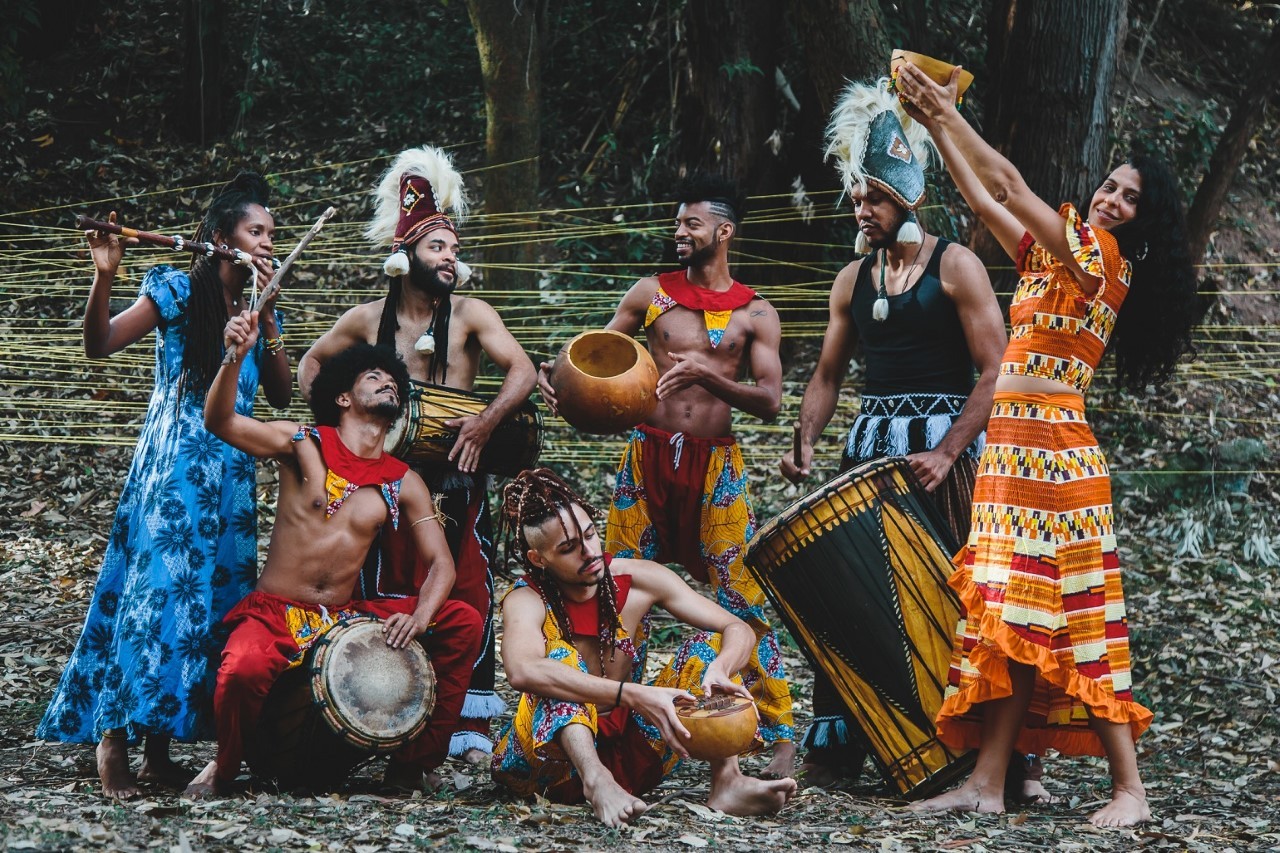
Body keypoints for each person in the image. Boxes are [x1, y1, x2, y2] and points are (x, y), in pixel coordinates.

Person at [893, 62, 1201, 827]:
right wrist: (934, 125)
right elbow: (982, 195)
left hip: (1058, 462)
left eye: (1131, 198)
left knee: (1077, 616)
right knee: (1010, 617)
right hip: (1008, 456)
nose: (1113, 199)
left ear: (1141, 220)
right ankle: (987, 783)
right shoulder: (1045, 260)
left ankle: (1130, 787)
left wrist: (946, 110)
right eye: (1111, 186)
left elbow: (1012, 183)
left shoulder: (1100, 261)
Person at [778, 79, 1010, 791]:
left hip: (942, 458)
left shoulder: (957, 267)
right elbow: (827, 371)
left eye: (873, 198)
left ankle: (970, 746)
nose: (862, 210)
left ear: (905, 198)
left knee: (949, 595)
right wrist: (806, 437)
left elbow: (998, 368)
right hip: (868, 454)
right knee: (849, 594)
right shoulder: (851, 278)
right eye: (856, 198)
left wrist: (946, 452)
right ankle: (844, 747)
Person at [37, 174, 293, 800]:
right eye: (254, 232)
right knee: (154, 600)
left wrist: (267, 319)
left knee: (204, 608)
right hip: (175, 470)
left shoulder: (262, 307)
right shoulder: (179, 290)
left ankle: (160, 749)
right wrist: (105, 274)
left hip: (230, 483)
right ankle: (112, 740)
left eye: (271, 235)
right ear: (217, 238)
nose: (265, 243)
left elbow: (283, 396)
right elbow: (98, 346)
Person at [537, 174, 795, 778]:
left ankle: (777, 734)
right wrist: (556, 378)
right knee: (614, 588)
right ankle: (610, 721)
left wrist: (709, 379)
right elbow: (596, 353)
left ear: (724, 231)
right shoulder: (652, 293)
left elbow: (770, 400)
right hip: (645, 457)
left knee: (744, 595)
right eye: (678, 224)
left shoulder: (755, 311)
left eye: (692, 224)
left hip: (716, 467)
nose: (679, 233)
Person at [299, 146, 536, 762]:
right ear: (406, 258)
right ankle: (376, 709)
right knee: (382, 584)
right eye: (438, 249)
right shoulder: (366, 319)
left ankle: (463, 728)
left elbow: (523, 370)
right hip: (385, 480)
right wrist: (339, 431)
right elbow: (311, 366)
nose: (450, 259)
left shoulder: (472, 317)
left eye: (454, 250)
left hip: (456, 476)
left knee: (468, 593)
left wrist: (484, 423)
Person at [186, 327, 483, 797]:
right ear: (343, 397)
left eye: (394, 382)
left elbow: (441, 565)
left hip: (341, 617)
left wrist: (421, 618)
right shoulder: (299, 441)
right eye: (374, 376)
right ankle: (224, 766)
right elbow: (220, 421)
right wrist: (234, 358)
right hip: (277, 611)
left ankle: (412, 765)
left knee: (463, 620)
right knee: (240, 670)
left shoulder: (405, 481)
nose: (389, 383)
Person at [491, 469, 798, 826]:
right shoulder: (526, 599)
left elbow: (737, 628)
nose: (589, 551)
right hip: (549, 770)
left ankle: (728, 783)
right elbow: (523, 670)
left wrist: (720, 669)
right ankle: (597, 782)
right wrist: (633, 694)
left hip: (635, 756)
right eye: (569, 548)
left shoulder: (636, 578)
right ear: (538, 559)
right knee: (558, 663)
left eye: (590, 535)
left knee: (710, 647)